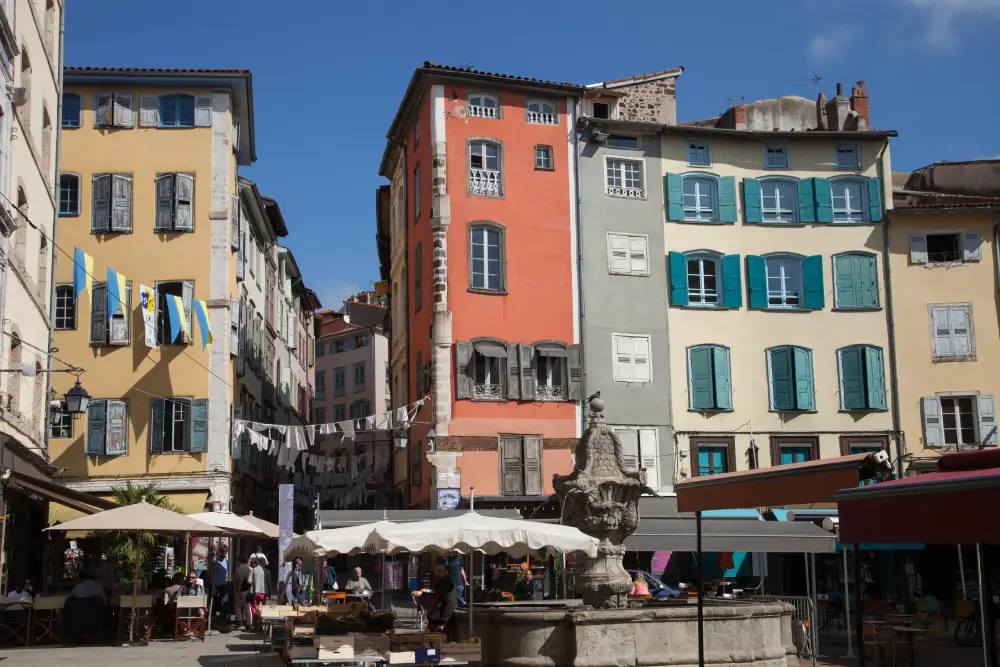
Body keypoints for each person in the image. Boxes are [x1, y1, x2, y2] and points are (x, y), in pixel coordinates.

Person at [427, 562, 458, 639]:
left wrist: (442, 622)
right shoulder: (440, 582)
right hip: (434, 619)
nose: (437, 573)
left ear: (446, 571)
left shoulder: (449, 584)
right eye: (436, 570)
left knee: (440, 643)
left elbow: (450, 604)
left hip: (442, 621)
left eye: (440, 571)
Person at [233, 555, 252, 629]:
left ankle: (239, 621)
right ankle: (249, 623)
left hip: (241, 590)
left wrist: (237, 592)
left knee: (237, 606)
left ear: (240, 561)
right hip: (248, 590)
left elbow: (239, 582)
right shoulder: (250, 568)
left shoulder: (239, 569)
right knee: (247, 607)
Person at [250, 557, 267, 631]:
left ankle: (256, 626)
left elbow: (249, 581)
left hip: (255, 592)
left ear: (254, 563)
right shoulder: (263, 570)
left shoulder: (253, 570)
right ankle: (260, 626)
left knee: (254, 609)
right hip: (262, 593)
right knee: (260, 610)